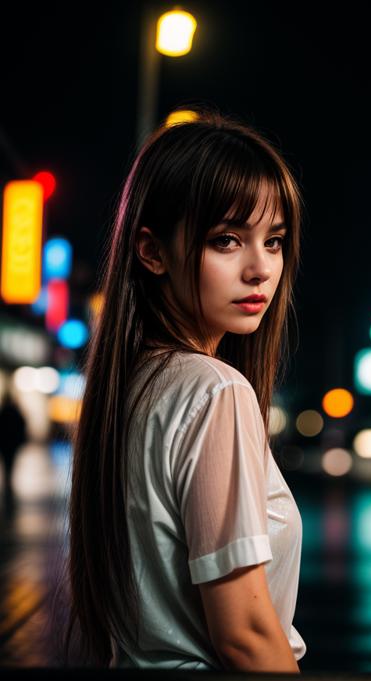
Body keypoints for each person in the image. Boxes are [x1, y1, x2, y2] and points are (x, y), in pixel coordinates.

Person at [63, 106, 307, 672]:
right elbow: (245, 636)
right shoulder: (216, 390)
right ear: (151, 251)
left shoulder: (134, 387)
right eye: (226, 240)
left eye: (273, 241)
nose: (260, 269)